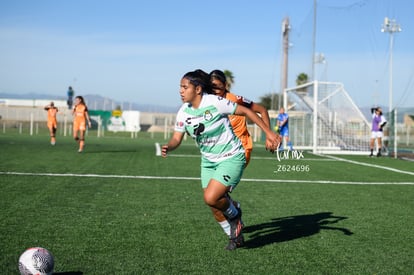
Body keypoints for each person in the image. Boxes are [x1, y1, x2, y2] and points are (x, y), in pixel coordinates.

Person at [162, 70, 280, 250]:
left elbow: (248, 111)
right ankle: (234, 236)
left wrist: (269, 133)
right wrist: (169, 146)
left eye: (185, 87)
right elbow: (176, 138)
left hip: (232, 156)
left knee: (212, 197)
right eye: (180, 87)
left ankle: (235, 214)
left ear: (198, 89)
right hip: (208, 161)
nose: (181, 91)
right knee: (214, 205)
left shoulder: (216, 102)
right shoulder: (183, 112)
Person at [209, 69, 271, 166]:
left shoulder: (236, 100)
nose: (215, 91)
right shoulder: (209, 102)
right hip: (220, 150)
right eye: (212, 87)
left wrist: (269, 136)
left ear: (225, 85)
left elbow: (262, 110)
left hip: (240, 149)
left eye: (219, 87)